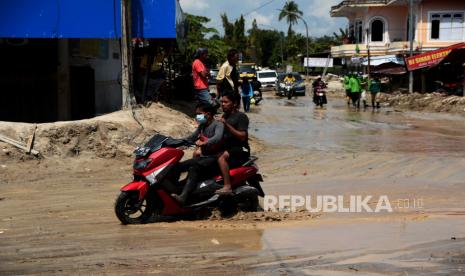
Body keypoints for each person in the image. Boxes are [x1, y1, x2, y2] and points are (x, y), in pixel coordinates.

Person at [171, 103, 224, 205]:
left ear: (208, 114)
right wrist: (173, 142)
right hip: (204, 158)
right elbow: (191, 137)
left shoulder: (218, 125)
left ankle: (183, 197)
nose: (197, 116)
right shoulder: (202, 126)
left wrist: (205, 142)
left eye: (199, 114)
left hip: (214, 158)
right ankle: (175, 188)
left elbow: (218, 137)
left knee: (194, 168)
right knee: (177, 166)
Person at [215, 92, 250, 195]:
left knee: (221, 157)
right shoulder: (225, 115)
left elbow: (243, 136)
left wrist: (226, 125)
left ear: (234, 103)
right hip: (228, 147)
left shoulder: (241, 116)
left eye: (226, 102)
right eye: (221, 102)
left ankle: (227, 186)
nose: (223, 104)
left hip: (240, 148)